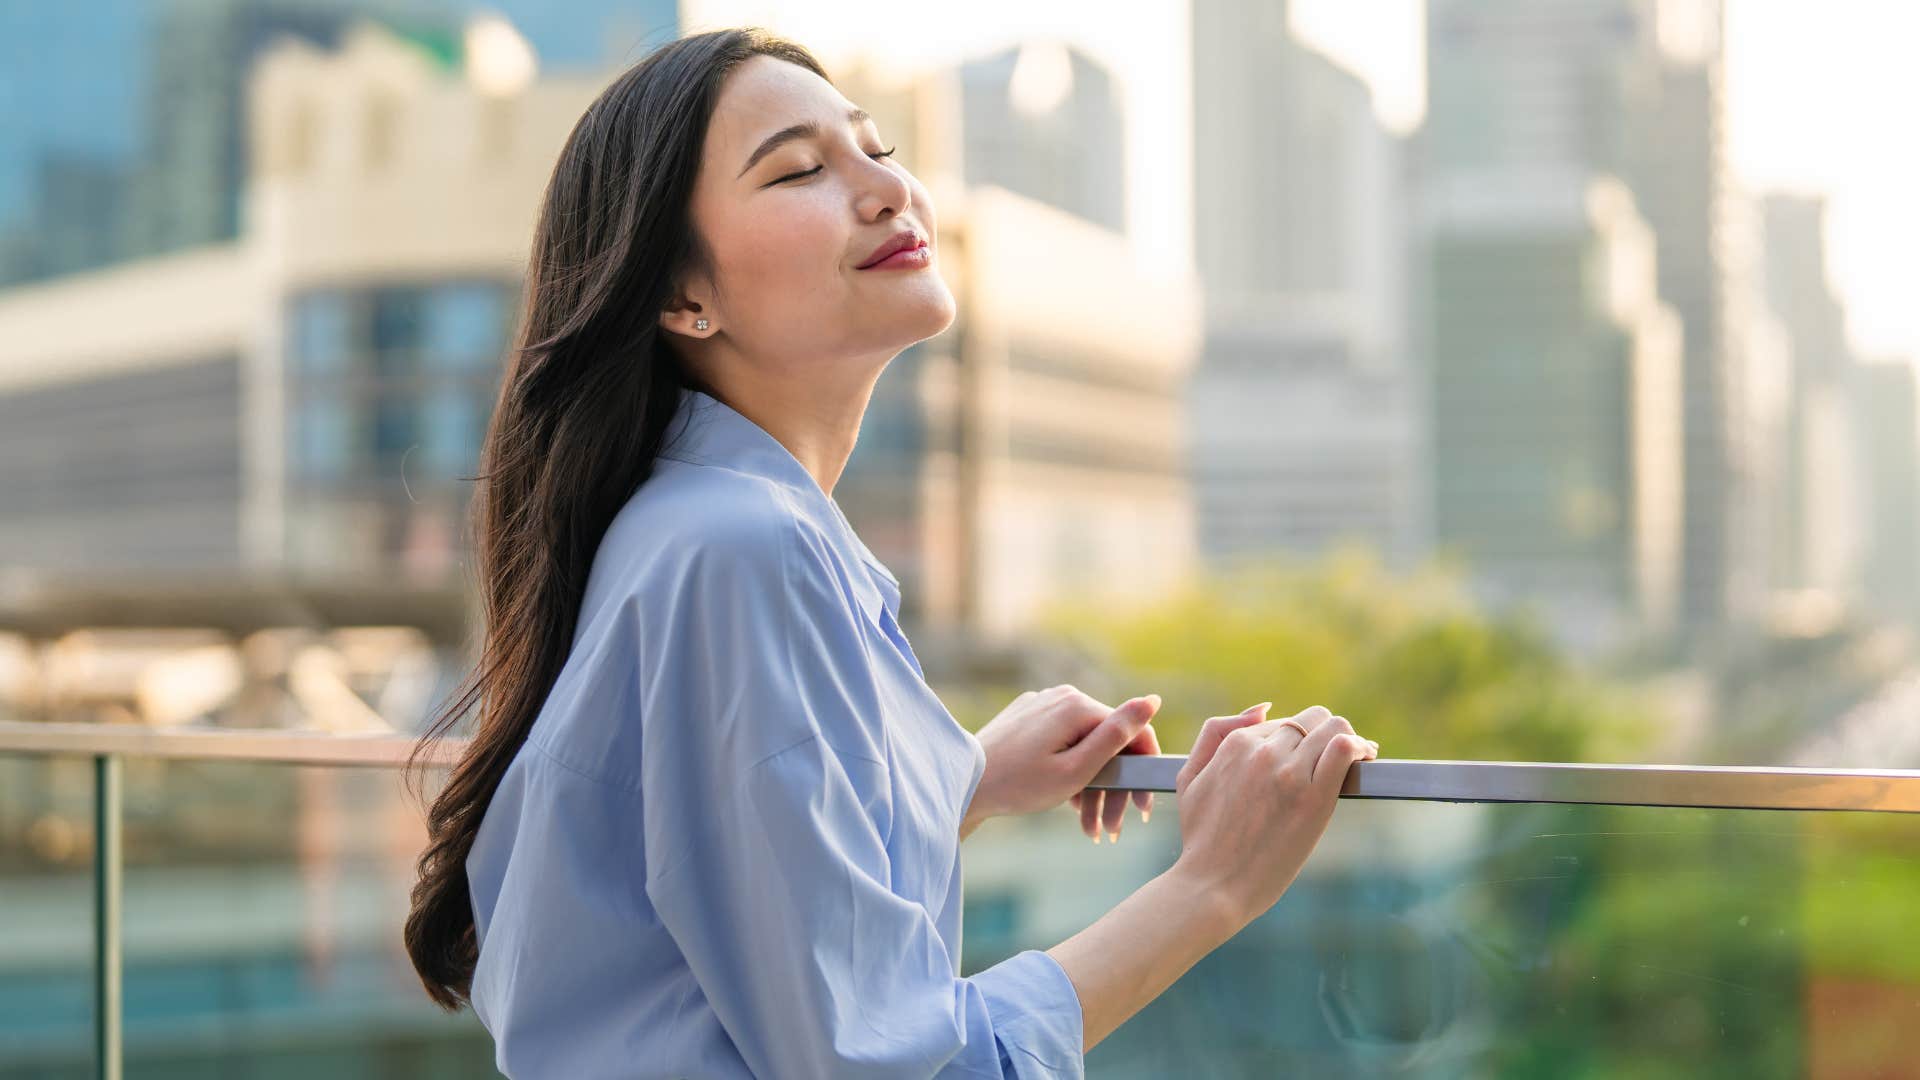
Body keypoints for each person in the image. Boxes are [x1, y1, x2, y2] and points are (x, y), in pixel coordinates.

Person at [401, 27, 1380, 1079]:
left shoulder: (679, 526)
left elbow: (705, 871)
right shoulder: (742, 549)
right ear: (683, 298)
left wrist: (956, 777)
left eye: (878, 148)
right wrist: (1212, 885)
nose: (883, 190)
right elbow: (890, 1066)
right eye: (801, 170)